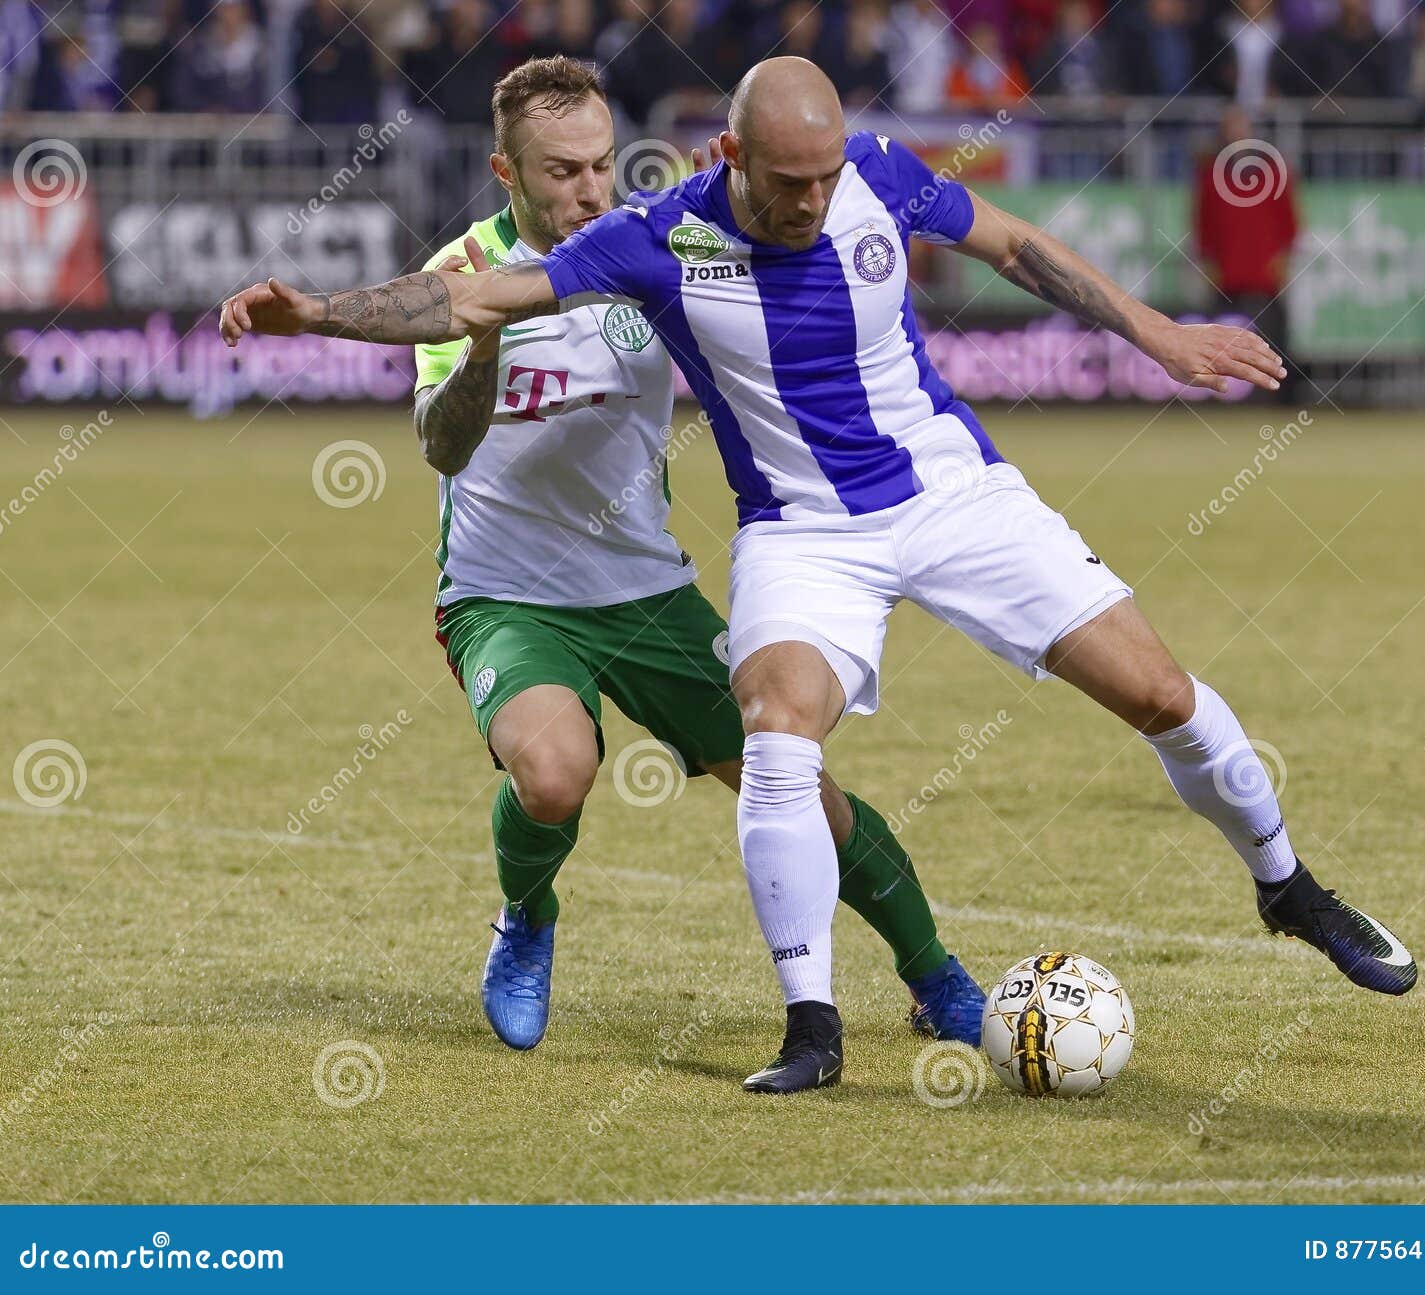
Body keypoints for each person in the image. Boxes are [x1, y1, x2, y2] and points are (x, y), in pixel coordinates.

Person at [219, 57, 1419, 1096]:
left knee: (1159, 694)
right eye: (787, 181)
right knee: (774, 737)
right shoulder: (657, 239)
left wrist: (1154, 332)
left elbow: (1009, 242)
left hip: (951, 495)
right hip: (793, 532)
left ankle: (1287, 886)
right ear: (727, 153)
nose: (812, 200)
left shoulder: (879, 174)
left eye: (825, 175)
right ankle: (811, 1024)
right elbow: (466, 294)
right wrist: (316, 312)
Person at [337, 54, 984, 1059]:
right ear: (507, 173)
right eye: (559, 172)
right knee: (555, 773)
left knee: (795, 780)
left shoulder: (666, 245)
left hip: (647, 589)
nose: (588, 187)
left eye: (599, 163)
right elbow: (440, 445)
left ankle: (934, 973)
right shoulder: (462, 275)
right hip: (506, 595)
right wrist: (480, 347)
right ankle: (527, 917)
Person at [1193, 106, 1299, 400]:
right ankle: (1223, 395)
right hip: (1226, 273)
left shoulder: (1273, 172)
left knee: (1273, 338)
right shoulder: (1211, 175)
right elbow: (1204, 223)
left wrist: (1283, 261)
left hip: (1264, 273)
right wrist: (1207, 262)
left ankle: (1278, 395)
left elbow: (1287, 222)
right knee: (1221, 339)